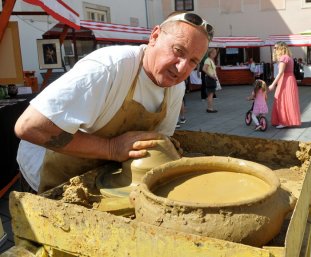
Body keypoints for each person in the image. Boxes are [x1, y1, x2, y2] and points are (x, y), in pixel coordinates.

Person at [14, 12, 213, 193]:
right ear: (154, 36)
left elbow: (158, 139)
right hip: (46, 169)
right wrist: (111, 148)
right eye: (178, 51)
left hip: (102, 172)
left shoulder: (175, 88)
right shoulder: (109, 68)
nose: (181, 67)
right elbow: (30, 127)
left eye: (193, 61)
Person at [268, 41, 301, 129]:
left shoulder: (283, 58)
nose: (274, 49)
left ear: (280, 48)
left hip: (286, 79)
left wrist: (272, 84)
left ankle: (284, 121)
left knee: (281, 99)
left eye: (275, 48)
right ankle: (284, 120)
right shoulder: (288, 57)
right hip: (289, 79)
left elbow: (280, 73)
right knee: (286, 99)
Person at [202, 48, 219, 113]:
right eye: (213, 53)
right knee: (210, 94)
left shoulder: (210, 60)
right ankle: (210, 108)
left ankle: (209, 108)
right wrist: (211, 76)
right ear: (210, 53)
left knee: (210, 94)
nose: (215, 54)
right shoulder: (208, 60)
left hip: (211, 78)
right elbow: (204, 69)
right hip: (210, 79)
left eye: (215, 53)